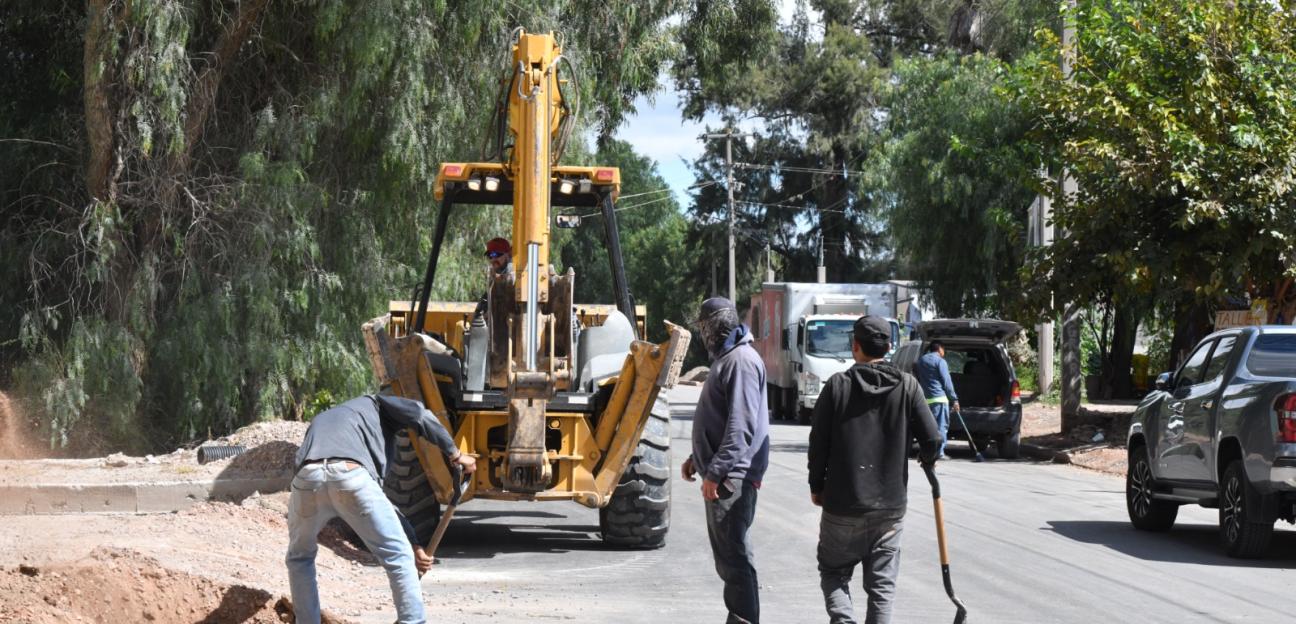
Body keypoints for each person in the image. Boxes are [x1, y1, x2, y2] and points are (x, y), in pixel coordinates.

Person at [286, 393, 477, 624]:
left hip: (305, 479)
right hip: (350, 473)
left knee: (299, 558)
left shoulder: (328, 419)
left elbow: (380, 503)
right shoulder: (376, 402)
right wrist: (456, 454)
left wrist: (414, 544)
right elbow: (419, 414)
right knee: (397, 556)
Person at [807, 316, 942, 624]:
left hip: (842, 504)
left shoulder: (837, 386)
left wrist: (817, 486)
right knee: (882, 587)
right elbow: (933, 438)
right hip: (890, 508)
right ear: (889, 347)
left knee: (833, 571)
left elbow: (818, 444)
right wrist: (927, 458)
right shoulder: (908, 386)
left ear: (855, 347)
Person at [680, 296, 770, 624]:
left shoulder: (741, 361)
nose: (702, 334)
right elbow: (721, 418)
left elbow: (741, 426)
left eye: (704, 326)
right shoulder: (729, 358)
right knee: (729, 559)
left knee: (734, 559)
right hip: (725, 473)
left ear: (716, 325)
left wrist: (716, 471)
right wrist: (697, 457)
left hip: (733, 479)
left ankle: (744, 620)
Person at [914, 340, 959, 459]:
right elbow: (946, 382)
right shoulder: (940, 361)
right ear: (940, 349)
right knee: (941, 427)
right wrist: (954, 399)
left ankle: (926, 451)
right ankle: (939, 452)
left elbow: (918, 378)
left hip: (926, 400)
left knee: (928, 427)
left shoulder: (921, 361)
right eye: (943, 350)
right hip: (939, 399)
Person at [474, 237, 514, 319]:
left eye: (497, 254)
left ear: (508, 254)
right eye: (490, 255)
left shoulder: (513, 275)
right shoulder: (494, 280)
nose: (493, 259)